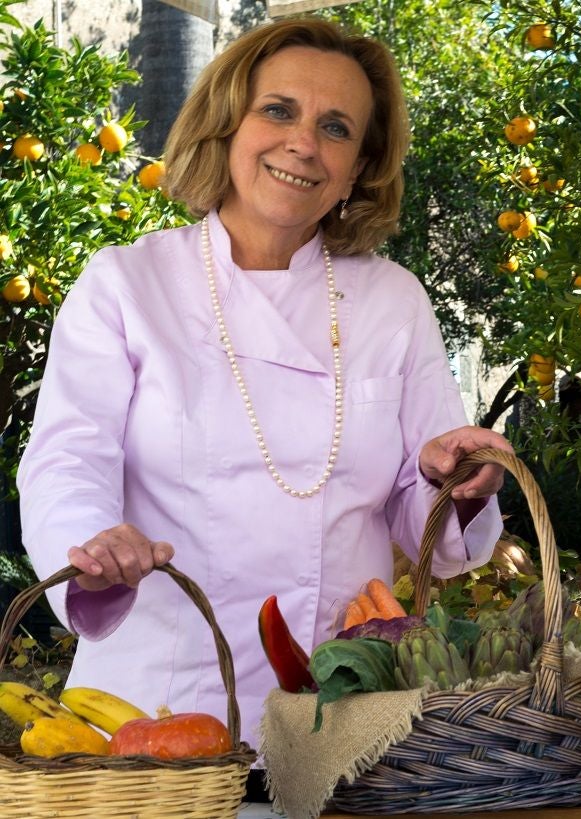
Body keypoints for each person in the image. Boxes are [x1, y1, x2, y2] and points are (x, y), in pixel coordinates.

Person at [16, 16, 511, 788]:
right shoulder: (126, 283)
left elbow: (429, 531)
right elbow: (66, 459)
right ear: (226, 125)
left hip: (339, 716)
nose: (302, 143)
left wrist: (462, 483)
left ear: (357, 171)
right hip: (155, 722)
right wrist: (93, 542)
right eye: (277, 110)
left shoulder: (392, 302)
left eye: (336, 127)